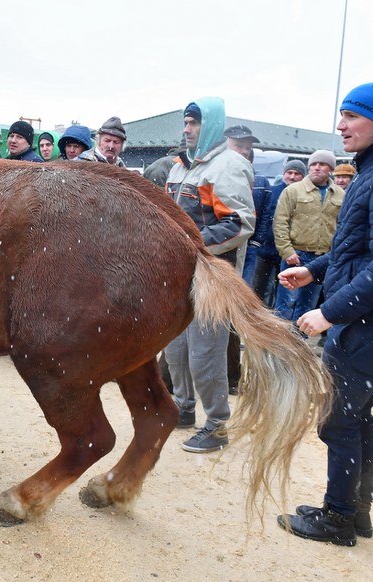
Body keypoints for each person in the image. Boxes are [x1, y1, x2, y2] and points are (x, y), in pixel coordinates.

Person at [277, 82, 373, 546]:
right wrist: (313, 270)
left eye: (352, 117)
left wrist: (327, 312)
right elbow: (359, 249)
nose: (341, 125)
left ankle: (338, 518)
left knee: (340, 419)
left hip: (371, 322)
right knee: (356, 416)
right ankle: (356, 512)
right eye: (341, 115)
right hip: (364, 317)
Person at [163, 97, 254, 453]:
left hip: (211, 275)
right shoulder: (179, 166)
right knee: (175, 349)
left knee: (206, 355)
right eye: (185, 123)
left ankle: (217, 424)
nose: (187, 130)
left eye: (194, 123)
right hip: (178, 275)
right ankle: (183, 408)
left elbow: (239, 223)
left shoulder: (228, 165)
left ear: (211, 125)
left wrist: (190, 246)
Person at [222, 124, 271, 396]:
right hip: (218, 251)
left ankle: (231, 375)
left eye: (247, 147)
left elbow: (256, 217)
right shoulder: (217, 170)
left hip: (240, 251)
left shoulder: (252, 176)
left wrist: (255, 242)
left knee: (232, 312)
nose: (243, 151)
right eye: (238, 145)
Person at [272, 149, 345, 323]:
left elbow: (343, 226)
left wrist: (334, 254)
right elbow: (280, 222)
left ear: (330, 169)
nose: (317, 168)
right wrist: (287, 251)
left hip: (322, 260)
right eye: (313, 164)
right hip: (296, 255)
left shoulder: (341, 195)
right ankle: (279, 343)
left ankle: (299, 344)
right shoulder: (293, 191)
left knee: (308, 307)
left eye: (322, 164)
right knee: (285, 304)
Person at [250, 159, 306, 306]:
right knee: (258, 288)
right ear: (284, 174)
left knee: (283, 291)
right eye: (289, 173)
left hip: (289, 254)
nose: (292, 177)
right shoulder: (274, 191)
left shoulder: (305, 196)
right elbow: (263, 216)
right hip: (265, 250)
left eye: (297, 174)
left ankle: (276, 321)